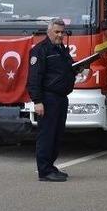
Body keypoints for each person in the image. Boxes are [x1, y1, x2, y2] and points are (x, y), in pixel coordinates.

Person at [27, 18, 77, 182]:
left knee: (57, 135)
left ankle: (50, 166)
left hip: (61, 98)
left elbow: (64, 70)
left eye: (62, 32)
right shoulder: (40, 50)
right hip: (48, 99)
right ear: (48, 32)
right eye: (57, 32)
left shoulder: (61, 49)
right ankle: (44, 171)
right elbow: (34, 78)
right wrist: (37, 101)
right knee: (47, 135)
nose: (60, 35)